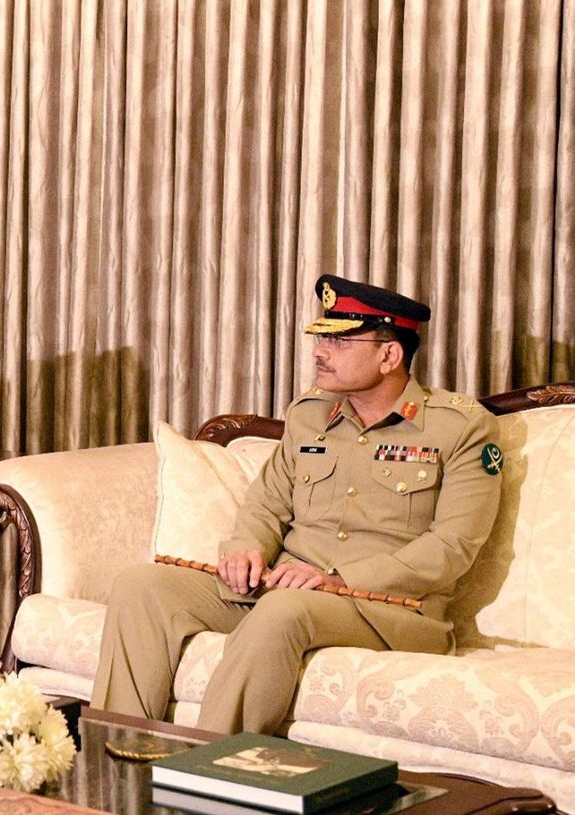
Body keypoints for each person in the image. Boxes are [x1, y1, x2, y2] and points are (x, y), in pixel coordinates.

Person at [91, 275, 504, 734]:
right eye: (323, 338)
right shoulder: (309, 414)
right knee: (141, 585)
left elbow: (453, 546)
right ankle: (119, 759)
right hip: (284, 589)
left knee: (283, 610)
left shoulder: (460, 428)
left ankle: (208, 775)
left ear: (390, 355)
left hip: (388, 608)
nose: (320, 352)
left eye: (342, 342)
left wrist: (338, 579)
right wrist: (245, 547)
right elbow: (267, 502)